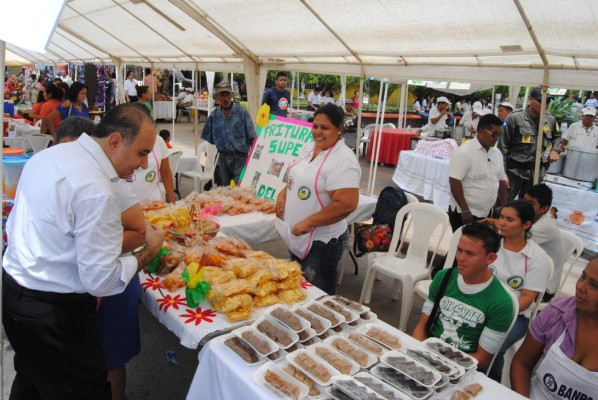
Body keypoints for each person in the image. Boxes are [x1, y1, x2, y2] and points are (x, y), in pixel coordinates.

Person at [2, 103, 165, 400]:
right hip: (53, 314)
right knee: (84, 389)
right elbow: (101, 281)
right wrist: (147, 253)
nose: (144, 165)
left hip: (15, 292)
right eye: (142, 153)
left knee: (32, 383)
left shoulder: (55, 154)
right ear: (114, 141)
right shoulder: (95, 188)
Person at [55, 115, 147, 400]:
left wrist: (99, 247)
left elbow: (139, 230)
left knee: (108, 359)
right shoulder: (55, 171)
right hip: (73, 288)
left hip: (107, 284)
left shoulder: (107, 181)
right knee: (70, 365)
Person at [275, 104, 361, 294]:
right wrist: (283, 194)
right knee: (297, 290)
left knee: (316, 296)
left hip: (321, 244)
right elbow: (296, 177)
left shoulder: (344, 161)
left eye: (325, 128)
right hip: (299, 237)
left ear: (339, 129)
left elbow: (346, 204)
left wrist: (309, 221)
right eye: (315, 126)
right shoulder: (310, 148)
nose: (318, 132)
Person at [412, 222, 515, 370]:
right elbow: (422, 325)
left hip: (462, 368)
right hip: (428, 354)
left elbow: (483, 358)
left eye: (470, 254)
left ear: (490, 258)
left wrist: (443, 367)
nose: (461, 258)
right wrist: (420, 352)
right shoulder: (443, 277)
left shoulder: (501, 303)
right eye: (459, 250)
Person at [510, 258, 598, 399]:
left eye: (594, 285)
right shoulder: (556, 313)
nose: (581, 286)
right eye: (583, 276)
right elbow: (522, 363)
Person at [486, 200, 550, 381]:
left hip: (515, 315)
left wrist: (496, 312)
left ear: (526, 224)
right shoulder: (492, 243)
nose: (502, 223)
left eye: (510, 220)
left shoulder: (537, 257)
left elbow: (528, 298)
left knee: (493, 347)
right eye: (501, 217)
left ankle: (492, 386)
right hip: (482, 303)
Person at [498, 86, 560, 201]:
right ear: (531, 99)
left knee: (528, 207)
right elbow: (502, 147)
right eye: (540, 101)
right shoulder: (515, 118)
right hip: (514, 171)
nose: (544, 105)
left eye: (547, 101)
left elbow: (557, 137)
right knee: (503, 203)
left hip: (535, 172)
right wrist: (502, 173)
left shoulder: (550, 120)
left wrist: (555, 150)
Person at [448, 114, 507, 231]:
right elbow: (454, 182)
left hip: (487, 212)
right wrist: (465, 210)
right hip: (465, 213)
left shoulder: (497, 153)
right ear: (482, 131)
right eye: (494, 134)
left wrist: (505, 207)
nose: (497, 138)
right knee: (463, 246)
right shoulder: (464, 152)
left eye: (499, 134)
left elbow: (501, 181)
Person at [202, 82, 256, 186]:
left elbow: (252, 137)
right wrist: (208, 152)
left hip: (240, 157)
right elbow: (210, 140)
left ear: (231, 95)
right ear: (218, 97)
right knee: (224, 191)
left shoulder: (242, 112)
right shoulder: (214, 115)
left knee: (237, 189)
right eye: (222, 95)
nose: (225, 98)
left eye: (227, 94)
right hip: (223, 158)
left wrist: (253, 158)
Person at [523, 184, 566, 302]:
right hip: (532, 275)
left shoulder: (543, 226)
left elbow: (514, 243)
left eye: (530, 203)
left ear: (544, 209)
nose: (524, 205)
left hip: (545, 288)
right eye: (524, 200)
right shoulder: (531, 219)